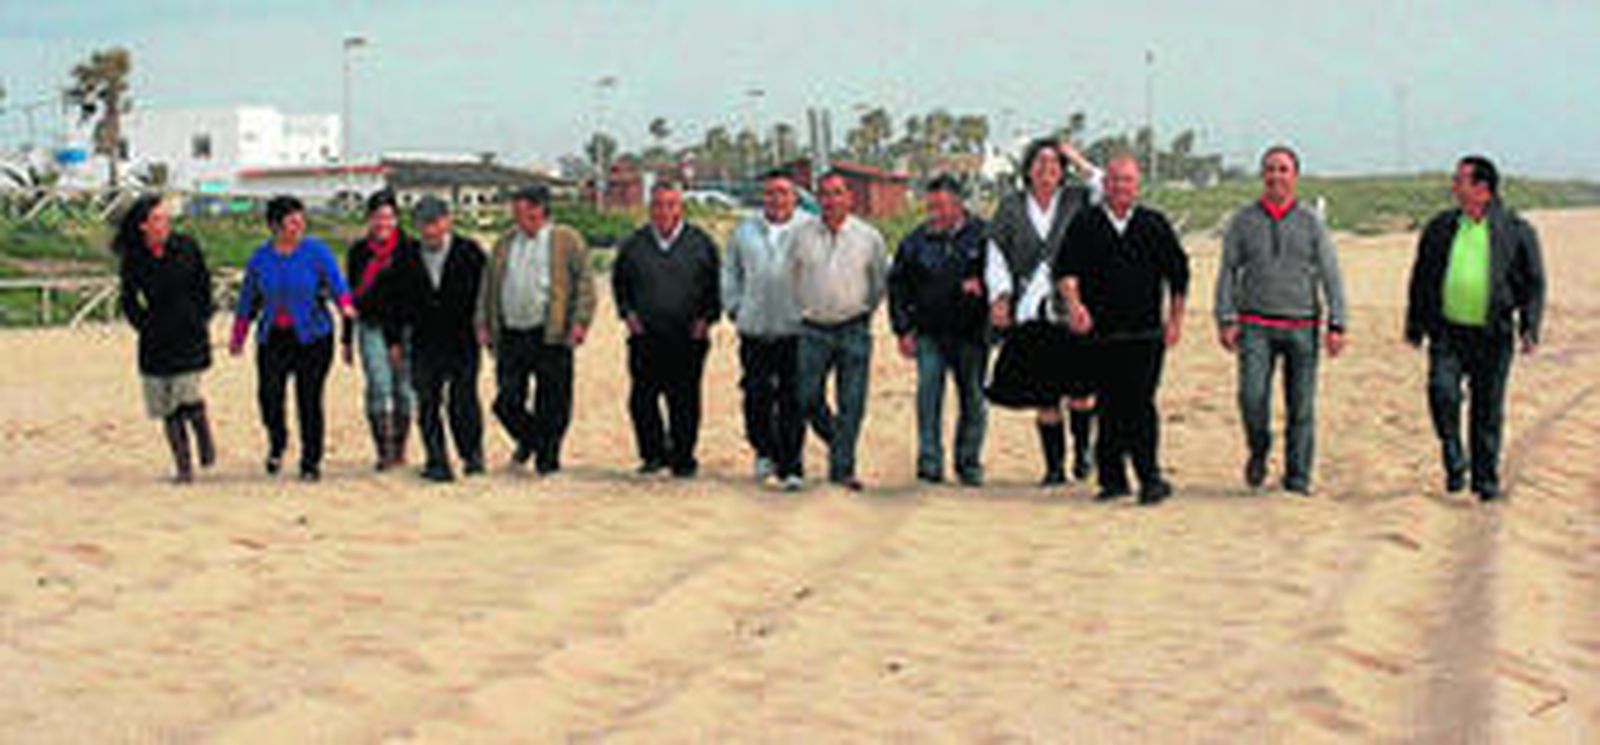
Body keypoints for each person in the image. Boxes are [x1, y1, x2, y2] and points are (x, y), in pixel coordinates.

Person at [1405, 155, 1545, 502]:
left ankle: (1485, 481)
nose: (1454, 186)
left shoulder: (1516, 230)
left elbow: (1534, 282)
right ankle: (1454, 456)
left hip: (1493, 333)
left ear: (1483, 189)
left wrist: (1530, 326)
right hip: (1447, 331)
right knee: (1442, 393)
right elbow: (1421, 277)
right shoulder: (1440, 227)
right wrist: (1415, 324)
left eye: (1460, 180)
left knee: (1487, 409)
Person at [1214, 145, 1349, 494]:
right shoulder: (1243, 221)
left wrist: (1337, 323)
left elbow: (1331, 274)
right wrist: (1226, 318)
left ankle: (1297, 478)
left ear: (1295, 176)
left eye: (1283, 169)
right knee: (1251, 397)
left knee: (1301, 408)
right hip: (1255, 325)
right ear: (1262, 175)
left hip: (1302, 326)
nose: (1276, 176)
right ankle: (1259, 448)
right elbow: (1227, 271)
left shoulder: (1311, 222)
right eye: (1270, 169)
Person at [1057, 154, 1188, 505]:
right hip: (1100, 334)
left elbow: (1178, 275)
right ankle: (1113, 480)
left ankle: (1150, 477)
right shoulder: (1085, 223)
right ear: (1105, 184)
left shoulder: (1154, 224)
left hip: (1145, 334)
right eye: (1114, 180)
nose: (1120, 186)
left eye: (1127, 180)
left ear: (1137, 185)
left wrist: (1175, 321)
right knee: (1109, 406)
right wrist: (1075, 305)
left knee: (1140, 404)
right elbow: (1066, 270)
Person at [985, 137, 1104, 486]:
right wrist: (1000, 296)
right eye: (1040, 162)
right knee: (1045, 395)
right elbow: (996, 255)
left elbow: (1104, 187)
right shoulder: (1011, 206)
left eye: (1054, 163)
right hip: (1030, 310)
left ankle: (1082, 452)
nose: (1047, 169)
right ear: (1028, 168)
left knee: (1081, 392)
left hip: (1074, 308)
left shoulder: (1078, 199)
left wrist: (1078, 159)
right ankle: (1054, 468)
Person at [230, 195, 354, 481]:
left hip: (314, 337)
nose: (299, 226)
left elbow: (337, 285)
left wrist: (345, 306)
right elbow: (247, 299)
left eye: (301, 221)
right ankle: (278, 440)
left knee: (309, 399)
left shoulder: (316, 252)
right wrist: (239, 335)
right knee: (269, 396)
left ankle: (311, 461)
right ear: (275, 226)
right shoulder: (261, 258)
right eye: (292, 222)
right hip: (273, 337)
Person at [477, 184, 596, 475]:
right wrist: (483, 323)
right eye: (515, 211)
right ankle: (532, 441)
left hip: (551, 331)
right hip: (511, 333)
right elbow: (488, 286)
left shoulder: (566, 239)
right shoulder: (505, 242)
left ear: (539, 209)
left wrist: (580, 322)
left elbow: (585, 284)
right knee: (506, 402)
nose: (517, 216)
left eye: (523, 210)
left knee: (553, 401)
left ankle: (548, 459)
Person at [612, 180, 721, 478]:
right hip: (645, 335)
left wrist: (706, 319)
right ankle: (653, 455)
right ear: (650, 208)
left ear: (680, 207)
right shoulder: (634, 244)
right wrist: (628, 315)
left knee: (684, 399)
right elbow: (620, 283)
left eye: (670, 204)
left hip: (689, 335)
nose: (664, 211)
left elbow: (715, 285)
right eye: (658, 205)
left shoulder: (700, 243)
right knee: (642, 399)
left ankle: (683, 458)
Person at [889, 174, 990, 486]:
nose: (936, 213)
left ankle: (968, 463)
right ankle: (929, 464)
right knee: (928, 398)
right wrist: (902, 330)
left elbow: (1001, 276)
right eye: (931, 207)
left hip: (972, 332)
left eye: (942, 206)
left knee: (973, 399)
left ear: (959, 204)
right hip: (929, 333)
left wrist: (983, 285)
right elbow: (897, 287)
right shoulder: (914, 242)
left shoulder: (984, 236)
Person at [792, 170, 889, 491]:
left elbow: (878, 283)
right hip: (812, 329)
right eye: (824, 194)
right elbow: (792, 277)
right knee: (806, 397)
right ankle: (837, 441)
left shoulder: (869, 237)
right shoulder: (801, 236)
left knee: (852, 402)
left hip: (853, 327)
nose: (831, 200)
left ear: (850, 198)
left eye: (837, 193)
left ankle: (842, 470)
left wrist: (863, 311)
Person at [384, 196, 489, 482]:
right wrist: (393, 341)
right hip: (423, 342)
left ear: (448, 221)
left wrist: (487, 328)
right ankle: (437, 460)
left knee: (463, 400)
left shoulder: (470, 252)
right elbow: (394, 303)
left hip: (463, 340)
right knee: (427, 402)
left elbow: (487, 295)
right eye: (423, 225)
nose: (429, 230)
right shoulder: (406, 256)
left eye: (434, 223)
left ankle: (472, 456)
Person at [723, 168, 814, 490]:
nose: (777, 199)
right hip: (755, 328)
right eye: (771, 193)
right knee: (755, 396)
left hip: (796, 329)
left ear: (795, 197)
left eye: (783, 193)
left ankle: (792, 465)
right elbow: (730, 271)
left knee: (793, 400)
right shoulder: (745, 230)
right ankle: (764, 450)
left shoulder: (809, 228)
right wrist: (734, 307)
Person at [116, 195, 216, 483]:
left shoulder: (186, 247)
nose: (165, 223)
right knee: (166, 407)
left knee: (186, 395)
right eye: (158, 218)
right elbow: (128, 299)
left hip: (190, 334)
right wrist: (143, 324)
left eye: (166, 217)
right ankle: (184, 468)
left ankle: (203, 433)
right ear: (143, 225)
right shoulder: (134, 257)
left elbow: (204, 284)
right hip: (155, 339)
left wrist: (201, 316)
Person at [342, 189, 419, 470]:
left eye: (388, 217)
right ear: (369, 219)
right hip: (370, 324)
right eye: (377, 217)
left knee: (405, 388)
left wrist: (395, 341)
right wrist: (346, 338)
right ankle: (383, 449)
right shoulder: (358, 252)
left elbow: (407, 298)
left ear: (396, 219)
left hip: (405, 328)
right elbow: (349, 297)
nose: (382, 223)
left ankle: (399, 447)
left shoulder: (410, 250)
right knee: (378, 384)